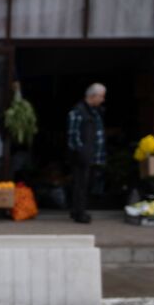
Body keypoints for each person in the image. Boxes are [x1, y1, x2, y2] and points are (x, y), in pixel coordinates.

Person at [66, 83, 107, 224]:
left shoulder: (94, 111)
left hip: (91, 155)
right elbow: (73, 136)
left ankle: (77, 210)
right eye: (101, 96)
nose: (103, 99)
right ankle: (79, 213)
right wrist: (81, 151)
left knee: (86, 183)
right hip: (82, 156)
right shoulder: (78, 111)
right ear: (93, 96)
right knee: (80, 184)